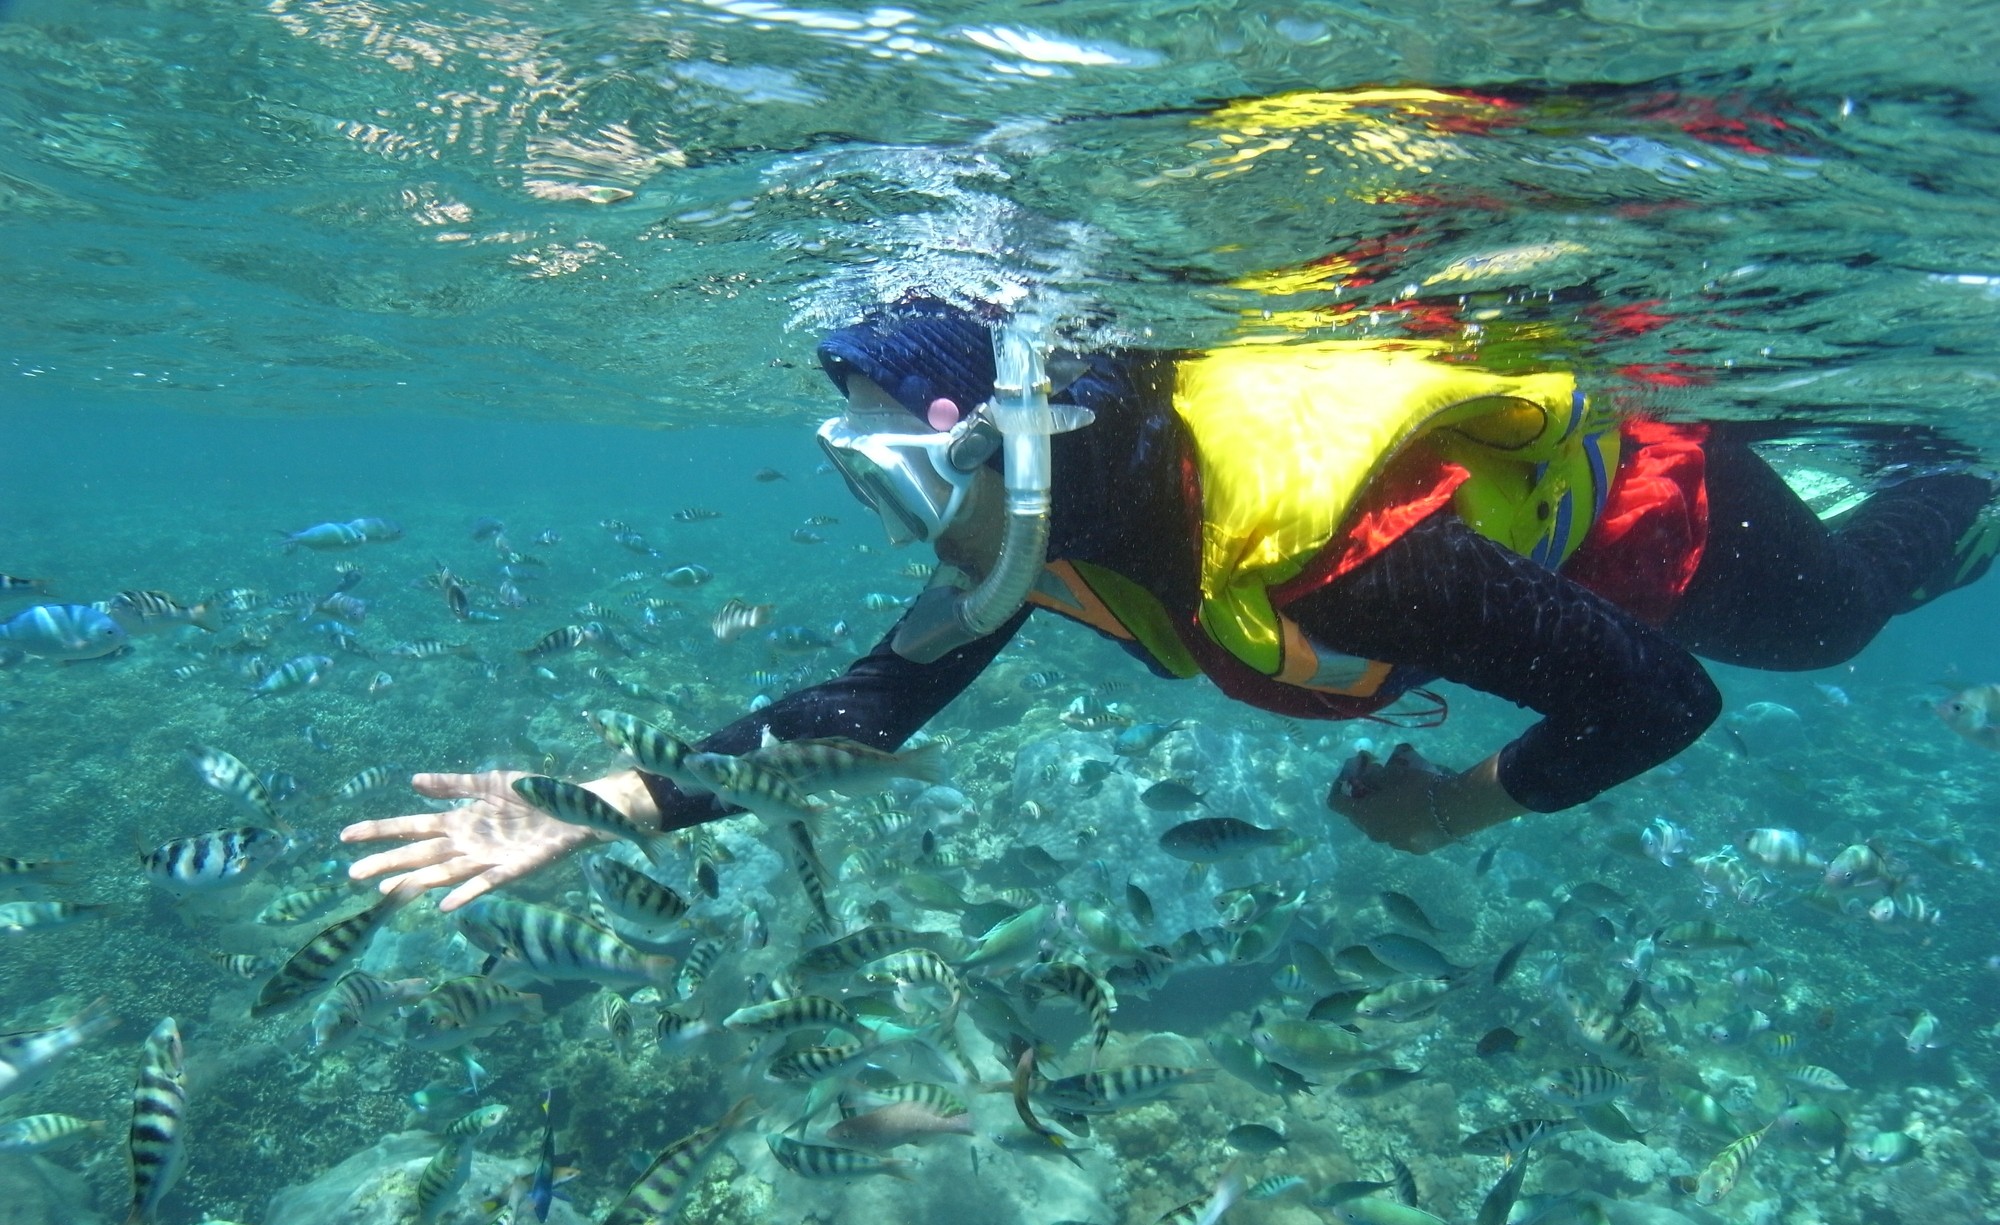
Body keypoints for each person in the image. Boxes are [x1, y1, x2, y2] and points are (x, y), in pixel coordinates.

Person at [342, 302, 1998, 904]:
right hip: (1481, 499)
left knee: (1847, 608)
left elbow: (1662, 702)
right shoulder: (1059, 506)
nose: (913, 534)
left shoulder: (1340, 553)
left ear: (1030, 440)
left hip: (1660, 522)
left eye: (913, 481)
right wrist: (605, 805)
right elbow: (875, 697)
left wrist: (1454, 812)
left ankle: (1955, 480)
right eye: (869, 479)